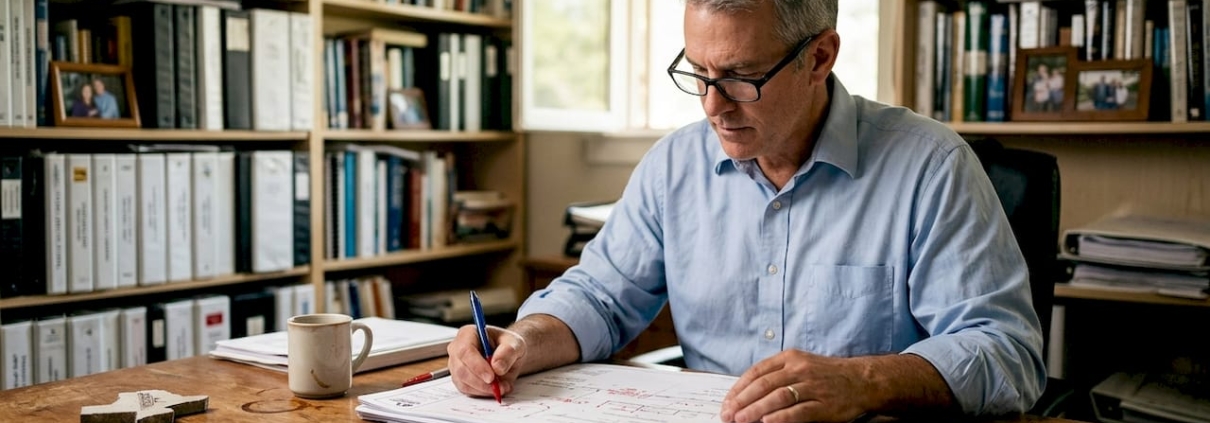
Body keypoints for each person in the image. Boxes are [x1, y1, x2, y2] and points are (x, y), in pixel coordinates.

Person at [447, 1, 1046, 422]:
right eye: (698, 72)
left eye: (740, 77)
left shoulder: (931, 166)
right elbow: (599, 297)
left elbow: (1006, 353)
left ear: (820, 57)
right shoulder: (674, 166)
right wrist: (521, 341)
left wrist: (863, 382)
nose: (713, 106)